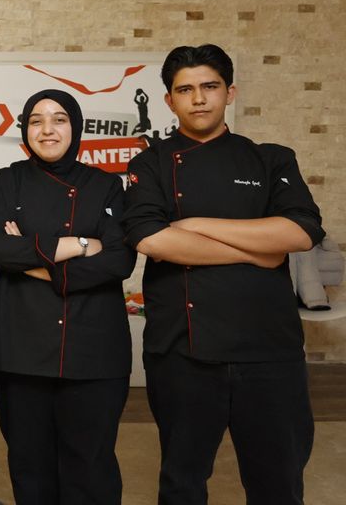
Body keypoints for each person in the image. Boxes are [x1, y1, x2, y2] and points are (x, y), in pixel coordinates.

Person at [122, 44, 323, 505]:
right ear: (169, 100)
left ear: (230, 93)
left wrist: (194, 224)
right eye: (185, 90)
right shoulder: (149, 163)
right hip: (182, 352)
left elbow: (300, 231)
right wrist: (260, 252)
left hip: (270, 352)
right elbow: (151, 240)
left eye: (210, 86)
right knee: (182, 484)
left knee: (279, 485)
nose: (199, 99)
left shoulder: (271, 159)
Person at [0, 89, 135, 505]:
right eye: (36, 121)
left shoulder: (106, 185)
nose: (47, 129)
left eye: (59, 119)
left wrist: (32, 256)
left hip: (94, 350)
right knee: (30, 469)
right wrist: (83, 244)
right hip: (22, 348)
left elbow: (119, 259)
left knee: (92, 470)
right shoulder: (6, 181)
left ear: (76, 127)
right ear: (25, 130)